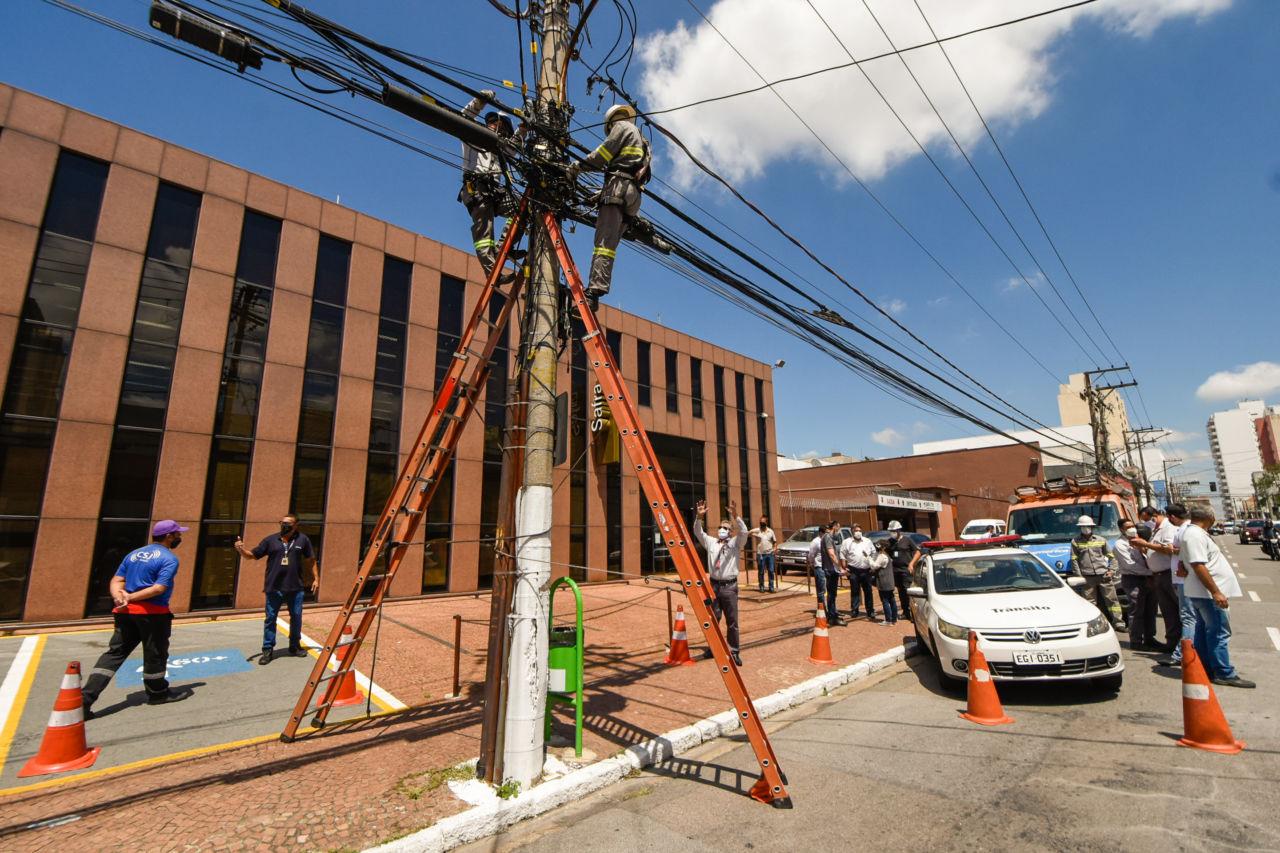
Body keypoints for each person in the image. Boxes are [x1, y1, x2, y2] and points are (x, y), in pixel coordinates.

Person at [82, 520, 194, 717]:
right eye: (178, 534)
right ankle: (157, 693)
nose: (180, 537)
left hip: (125, 613)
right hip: (152, 614)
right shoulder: (169, 558)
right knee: (155, 654)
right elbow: (159, 588)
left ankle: (84, 700)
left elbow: (117, 580)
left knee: (114, 654)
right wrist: (131, 597)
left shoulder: (134, 554)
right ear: (169, 536)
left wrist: (120, 597)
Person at [565, 103, 652, 306]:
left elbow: (601, 156)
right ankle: (597, 287)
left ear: (612, 121)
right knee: (611, 244)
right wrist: (600, 195)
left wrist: (577, 167)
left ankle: (594, 292)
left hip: (619, 188)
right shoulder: (643, 141)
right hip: (634, 196)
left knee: (603, 243)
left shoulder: (621, 127)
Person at [1180, 507, 1254, 688]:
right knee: (1219, 632)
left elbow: (1187, 562)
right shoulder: (1194, 535)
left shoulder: (1195, 534)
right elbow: (1198, 564)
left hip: (1201, 592)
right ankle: (1223, 672)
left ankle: (1206, 668)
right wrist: (1216, 592)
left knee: (1206, 631)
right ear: (1210, 517)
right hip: (1206, 594)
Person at [235, 514, 320, 665]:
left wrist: (316, 578)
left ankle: (294, 646)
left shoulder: (303, 540)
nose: (284, 525)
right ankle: (267, 650)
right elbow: (252, 555)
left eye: (288, 523)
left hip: (295, 588)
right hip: (274, 587)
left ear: (296, 525)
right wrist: (241, 550)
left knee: (296, 617)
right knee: (270, 619)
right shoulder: (270, 540)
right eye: (282, 523)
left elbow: (311, 560)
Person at [459, 90, 522, 281]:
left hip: (495, 193)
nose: (500, 131)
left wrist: (523, 129)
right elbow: (464, 117)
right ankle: (493, 274)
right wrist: (480, 101)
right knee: (484, 233)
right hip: (476, 188)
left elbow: (513, 148)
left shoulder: (500, 148)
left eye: (504, 131)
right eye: (498, 126)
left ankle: (505, 247)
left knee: (523, 207)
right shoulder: (473, 137)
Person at [693, 499, 749, 666]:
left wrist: (735, 516)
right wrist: (699, 517)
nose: (722, 530)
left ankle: (734, 651)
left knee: (732, 621)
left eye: (725, 528)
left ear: (731, 532)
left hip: (729, 587)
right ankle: (713, 648)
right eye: (720, 527)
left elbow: (744, 532)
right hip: (714, 585)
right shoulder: (711, 542)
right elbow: (698, 532)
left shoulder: (734, 543)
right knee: (713, 619)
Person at [1134, 505, 1181, 653]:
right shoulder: (1156, 530)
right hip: (1158, 576)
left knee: (1179, 610)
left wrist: (1146, 544)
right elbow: (1155, 550)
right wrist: (1144, 548)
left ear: (1154, 516)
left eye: (1147, 520)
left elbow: (1168, 549)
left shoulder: (1168, 528)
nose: (1146, 524)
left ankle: (1183, 646)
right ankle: (1172, 643)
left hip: (1169, 575)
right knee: (1168, 612)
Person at [1069, 515, 1124, 629]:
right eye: (1083, 527)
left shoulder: (1101, 540)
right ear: (1080, 528)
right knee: (1090, 602)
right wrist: (1079, 576)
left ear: (1092, 527)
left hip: (1104, 575)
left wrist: (1111, 571)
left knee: (1112, 600)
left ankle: (1118, 622)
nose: (1086, 529)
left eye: (1087, 526)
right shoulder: (1075, 541)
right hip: (1087, 577)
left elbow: (1112, 557)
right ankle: (1095, 625)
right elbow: (1074, 559)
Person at [1114, 521, 1155, 648]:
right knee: (1136, 611)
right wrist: (1151, 572)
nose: (1131, 529)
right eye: (1128, 528)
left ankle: (1150, 638)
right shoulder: (1120, 545)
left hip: (1148, 578)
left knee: (1150, 610)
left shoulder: (1139, 540)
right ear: (1121, 530)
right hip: (1133, 579)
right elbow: (1129, 565)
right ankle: (1136, 641)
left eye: (1133, 526)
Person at [838, 525, 877, 620]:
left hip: (866, 570)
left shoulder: (867, 541)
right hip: (853, 570)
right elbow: (842, 554)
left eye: (860, 530)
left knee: (868, 591)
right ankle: (855, 610)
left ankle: (870, 611)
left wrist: (873, 564)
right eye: (856, 531)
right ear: (852, 532)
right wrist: (844, 566)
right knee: (855, 591)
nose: (858, 532)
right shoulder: (847, 542)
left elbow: (874, 552)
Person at [885, 521, 919, 623]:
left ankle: (913, 613)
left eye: (894, 531)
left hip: (906, 570)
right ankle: (905, 612)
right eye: (891, 531)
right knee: (901, 591)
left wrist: (911, 564)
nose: (892, 532)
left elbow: (918, 552)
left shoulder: (907, 540)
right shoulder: (889, 542)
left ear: (899, 530)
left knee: (908, 591)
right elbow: (885, 552)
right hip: (895, 571)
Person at [816, 521, 845, 626]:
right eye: (839, 528)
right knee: (832, 594)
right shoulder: (828, 537)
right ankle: (832, 617)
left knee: (832, 594)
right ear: (835, 527)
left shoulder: (826, 537)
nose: (839, 531)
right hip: (831, 569)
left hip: (830, 569)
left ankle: (833, 614)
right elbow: (832, 554)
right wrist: (840, 567)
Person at [749, 517, 779, 593]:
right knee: (761, 571)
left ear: (766, 523)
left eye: (763, 522)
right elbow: (749, 532)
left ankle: (771, 587)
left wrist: (775, 548)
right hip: (761, 554)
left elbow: (775, 541)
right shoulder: (758, 530)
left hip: (770, 554)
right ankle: (761, 586)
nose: (761, 524)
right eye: (760, 522)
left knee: (771, 571)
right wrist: (753, 535)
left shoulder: (770, 531)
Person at [873, 541, 897, 626]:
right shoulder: (888, 556)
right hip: (890, 581)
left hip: (884, 581)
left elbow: (874, 566)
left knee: (885, 600)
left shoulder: (882, 556)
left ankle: (888, 620)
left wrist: (868, 559)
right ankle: (894, 619)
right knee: (892, 600)